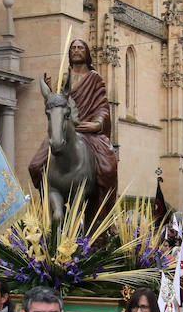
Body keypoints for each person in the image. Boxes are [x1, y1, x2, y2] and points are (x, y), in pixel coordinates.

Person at [28, 38, 117, 215]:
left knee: (108, 166)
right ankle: (47, 205)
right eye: (73, 48)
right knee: (35, 165)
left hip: (87, 129)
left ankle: (103, 209)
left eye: (80, 48)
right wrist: (49, 93)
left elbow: (102, 105)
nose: (76, 50)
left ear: (87, 53)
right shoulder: (63, 78)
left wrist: (98, 123)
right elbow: (56, 106)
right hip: (64, 130)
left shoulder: (95, 78)